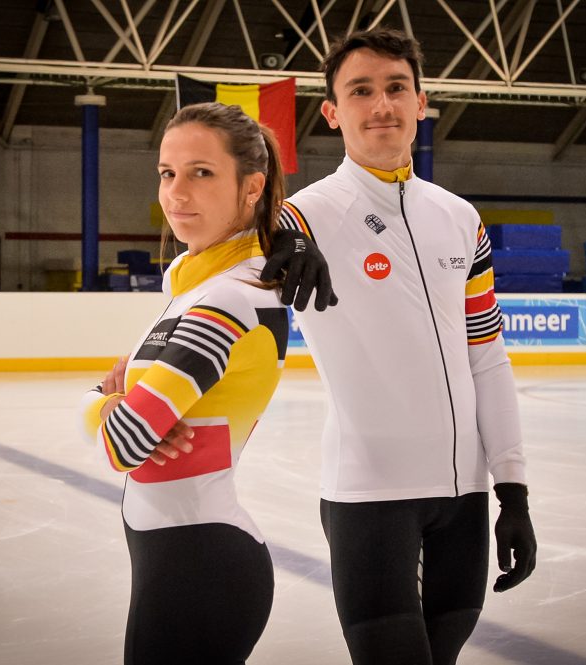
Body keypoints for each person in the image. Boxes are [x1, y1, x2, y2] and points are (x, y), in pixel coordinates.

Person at [261, 29, 538, 665]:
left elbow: (487, 358)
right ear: (332, 112)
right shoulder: (305, 216)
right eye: (361, 91)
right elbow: (218, 254)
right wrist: (274, 230)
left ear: (421, 102)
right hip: (368, 496)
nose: (381, 104)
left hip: (463, 499)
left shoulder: (461, 219)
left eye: (396, 88)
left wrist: (513, 491)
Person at [78, 102, 290, 665]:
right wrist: (117, 406)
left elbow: (123, 444)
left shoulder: (230, 297)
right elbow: (131, 433)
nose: (176, 192)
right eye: (168, 173)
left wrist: (99, 401)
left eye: (202, 172)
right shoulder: (192, 287)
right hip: (171, 561)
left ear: (252, 187)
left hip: (202, 569)